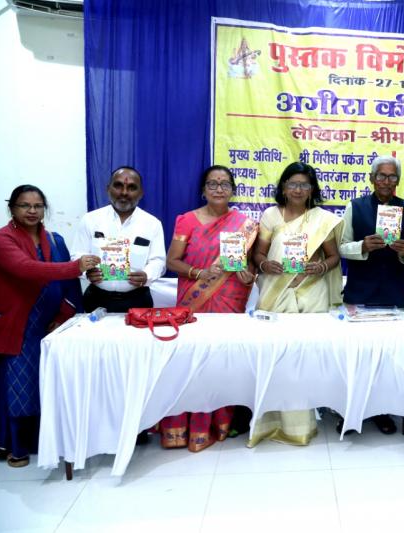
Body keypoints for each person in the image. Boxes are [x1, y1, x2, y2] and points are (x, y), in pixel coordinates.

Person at [0, 185, 99, 467]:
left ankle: (49, 443)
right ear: (12, 209)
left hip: (53, 325)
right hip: (22, 326)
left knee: (51, 384)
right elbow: (26, 269)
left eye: (38, 206)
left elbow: (69, 286)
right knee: (21, 385)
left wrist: (66, 316)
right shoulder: (2, 239)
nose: (32, 211)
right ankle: (18, 448)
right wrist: (76, 266)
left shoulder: (55, 240)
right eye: (24, 205)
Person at [160, 165, 258, 452]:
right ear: (203, 189)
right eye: (212, 184)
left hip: (230, 299)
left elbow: (248, 263)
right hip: (195, 301)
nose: (218, 189)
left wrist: (247, 273)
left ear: (232, 190)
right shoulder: (186, 221)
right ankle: (188, 426)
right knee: (194, 362)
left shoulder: (245, 224)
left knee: (226, 361)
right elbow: (172, 261)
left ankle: (224, 422)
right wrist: (198, 274)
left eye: (224, 184)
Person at [248, 162, 343, 446]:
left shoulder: (321, 219)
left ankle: (301, 425)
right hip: (275, 295)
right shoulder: (270, 216)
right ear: (283, 187)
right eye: (293, 184)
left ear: (312, 189)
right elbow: (258, 254)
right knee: (275, 358)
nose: (298, 190)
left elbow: (334, 257)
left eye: (304, 184)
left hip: (311, 294)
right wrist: (265, 263)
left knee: (303, 360)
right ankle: (269, 424)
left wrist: (321, 268)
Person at [338, 156, 404, 435]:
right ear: (371, 179)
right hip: (359, 293)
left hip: (393, 294)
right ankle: (350, 411)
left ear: (398, 180)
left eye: (392, 177)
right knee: (356, 359)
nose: (386, 182)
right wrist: (362, 246)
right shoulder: (355, 206)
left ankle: (382, 412)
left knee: (389, 362)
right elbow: (341, 247)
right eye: (381, 176)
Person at [71, 166, 166, 313]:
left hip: (138, 300)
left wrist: (147, 275)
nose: (124, 192)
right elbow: (76, 255)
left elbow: (159, 260)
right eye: (118, 185)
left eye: (132, 187)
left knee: (137, 337)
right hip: (96, 298)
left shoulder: (152, 224)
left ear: (141, 193)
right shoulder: (90, 220)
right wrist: (86, 271)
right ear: (108, 189)